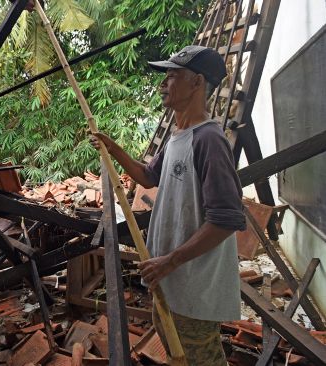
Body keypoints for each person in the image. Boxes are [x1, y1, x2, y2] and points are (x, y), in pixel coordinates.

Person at [90, 45, 246, 365]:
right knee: (176, 352)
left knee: (198, 358)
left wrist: (171, 261)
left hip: (194, 286)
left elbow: (226, 219)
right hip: (170, 280)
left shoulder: (209, 140)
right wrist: (111, 147)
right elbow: (148, 177)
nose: (163, 84)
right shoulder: (178, 135)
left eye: (172, 76)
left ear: (197, 83)